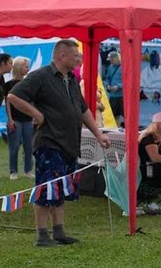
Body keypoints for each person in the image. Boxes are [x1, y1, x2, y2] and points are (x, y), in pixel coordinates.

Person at [8, 39, 111, 247]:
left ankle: (59, 231)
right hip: (49, 142)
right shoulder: (41, 76)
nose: (80, 60)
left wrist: (98, 134)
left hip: (69, 142)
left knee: (62, 188)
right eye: (76, 56)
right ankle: (42, 235)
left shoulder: (71, 79)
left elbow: (83, 109)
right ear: (62, 56)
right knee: (46, 189)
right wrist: (37, 114)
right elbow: (13, 95)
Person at [4, 56, 35, 179]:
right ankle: (13, 171)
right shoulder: (9, 85)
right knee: (14, 146)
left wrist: (33, 116)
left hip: (28, 119)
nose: (28, 69)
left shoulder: (29, 83)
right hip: (15, 119)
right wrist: (10, 119)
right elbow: (8, 103)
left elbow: (32, 101)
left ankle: (28, 170)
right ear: (19, 67)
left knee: (29, 147)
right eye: (26, 66)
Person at [101, 51, 124, 127]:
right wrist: (107, 85)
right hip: (113, 96)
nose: (110, 61)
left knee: (125, 116)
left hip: (122, 96)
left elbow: (128, 81)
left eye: (112, 60)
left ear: (117, 58)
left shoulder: (124, 67)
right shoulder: (110, 67)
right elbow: (107, 78)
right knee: (114, 116)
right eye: (110, 60)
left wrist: (118, 86)